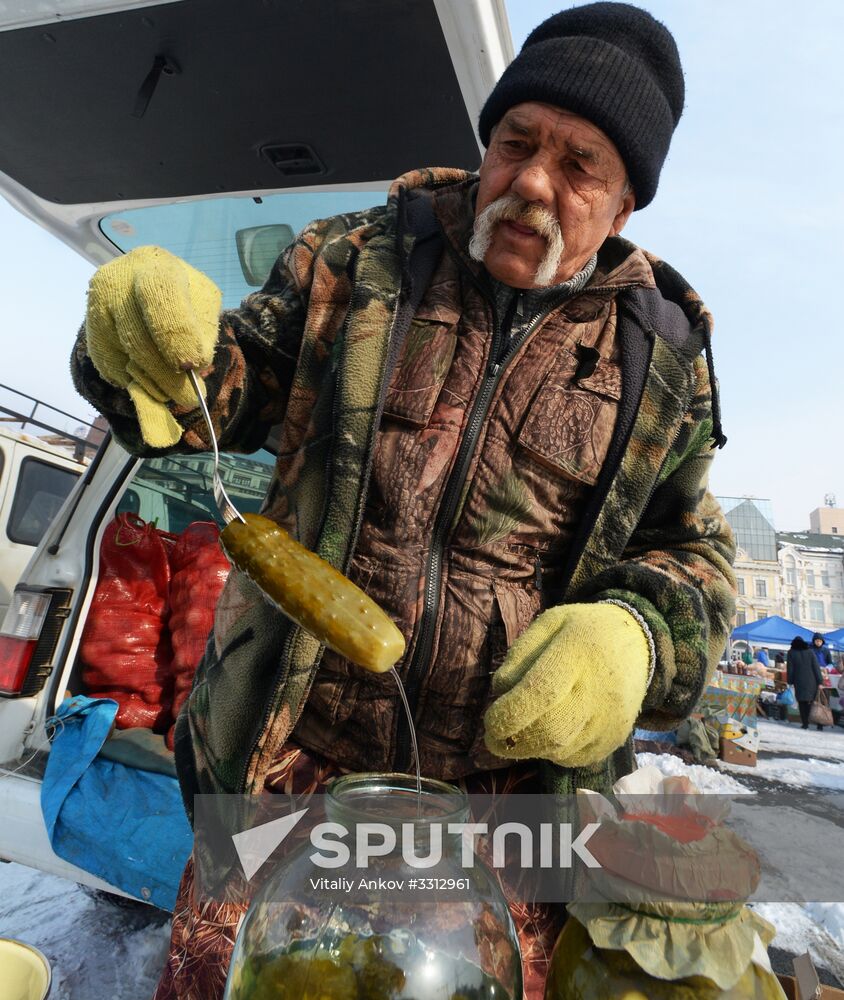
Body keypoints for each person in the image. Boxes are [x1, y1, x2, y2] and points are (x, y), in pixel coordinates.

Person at [70, 4, 736, 996]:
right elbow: (224, 387)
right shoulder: (356, 259)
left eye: (581, 166)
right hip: (288, 773)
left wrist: (636, 634)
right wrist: (142, 348)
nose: (534, 183)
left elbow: (693, 552)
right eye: (517, 144)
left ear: (626, 203)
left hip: (502, 815)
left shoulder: (662, 354)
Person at [787, 636, 824, 730]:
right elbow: (816, 667)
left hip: (799, 681)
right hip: (812, 681)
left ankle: (805, 724)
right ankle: (819, 724)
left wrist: (790, 681)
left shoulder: (791, 652)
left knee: (802, 703)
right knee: (813, 702)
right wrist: (820, 681)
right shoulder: (810, 652)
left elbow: (790, 669)